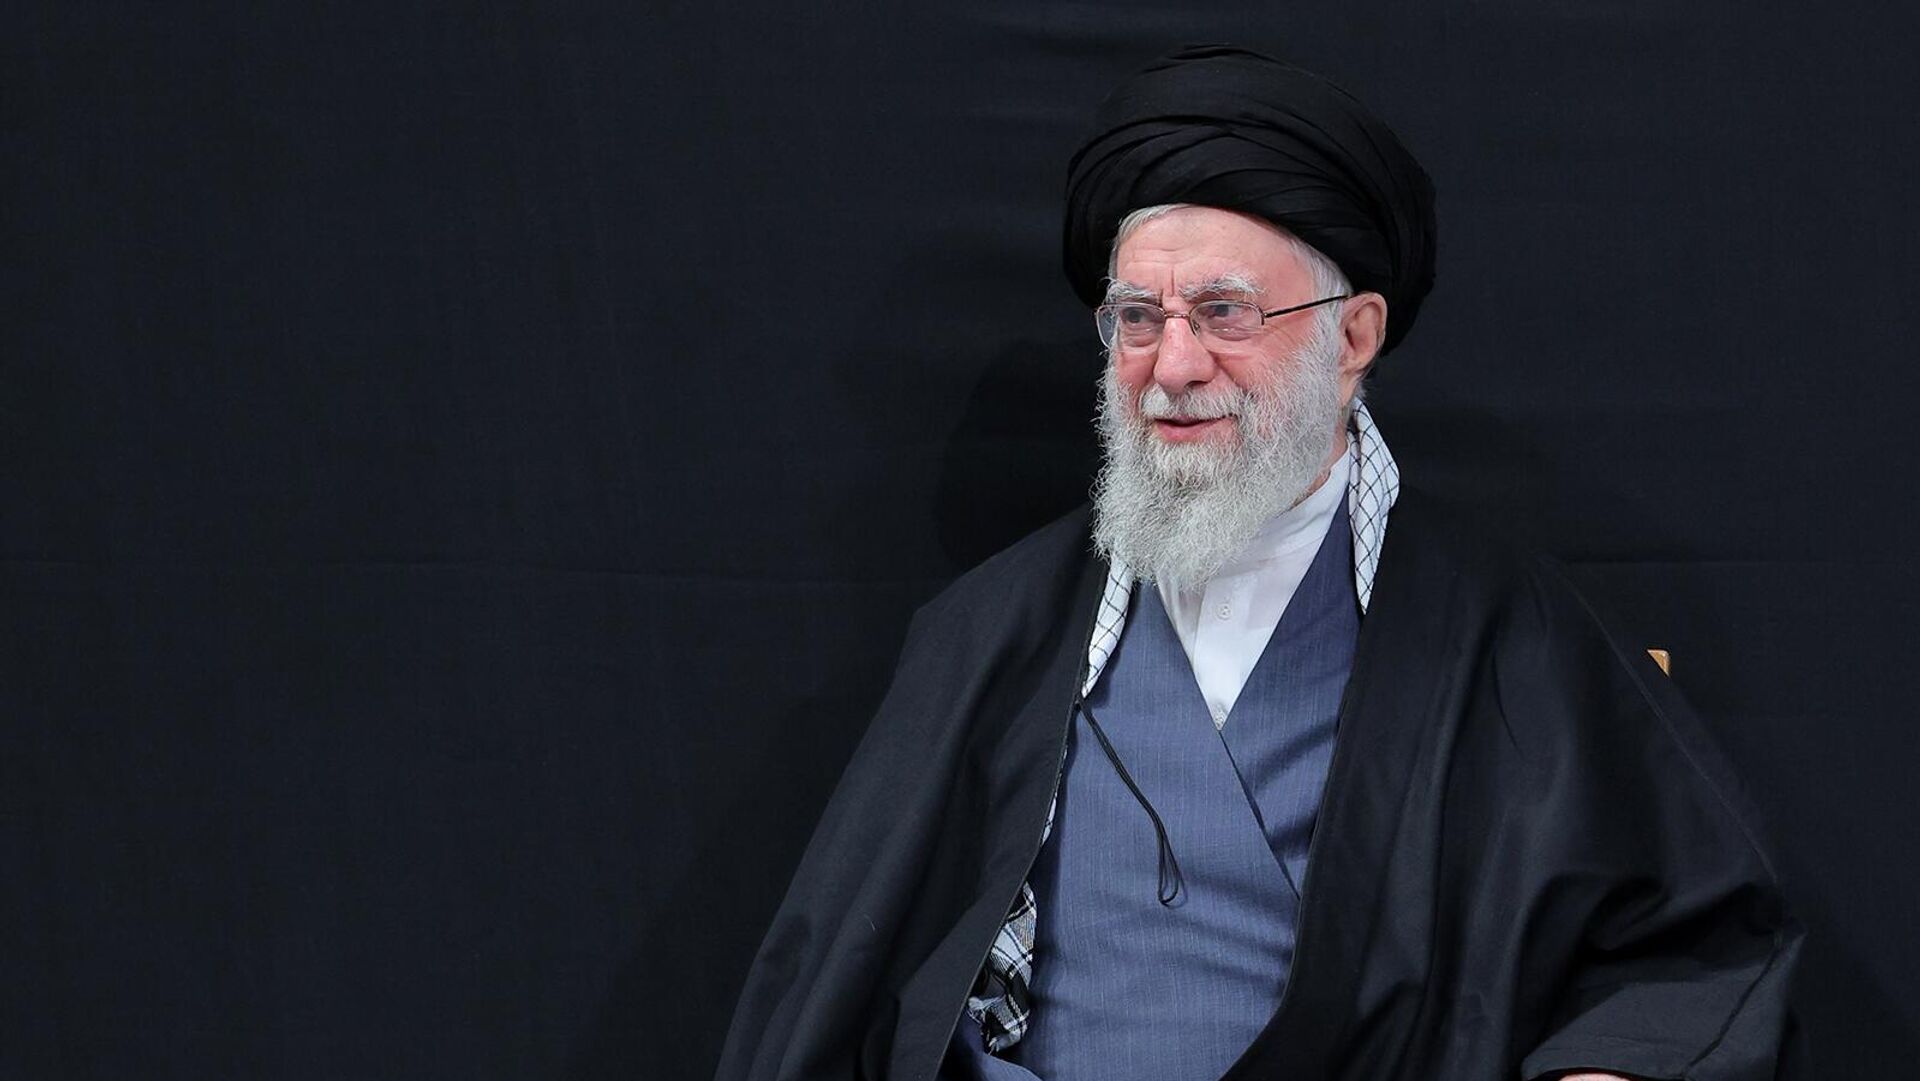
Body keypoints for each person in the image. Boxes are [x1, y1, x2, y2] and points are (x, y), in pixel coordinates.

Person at [716, 45, 1800, 1081]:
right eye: (1137, 318)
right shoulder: (991, 628)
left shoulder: (1506, 633)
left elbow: (1692, 953)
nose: (1173, 365)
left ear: (1355, 336)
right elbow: (840, 978)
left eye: (1224, 312)